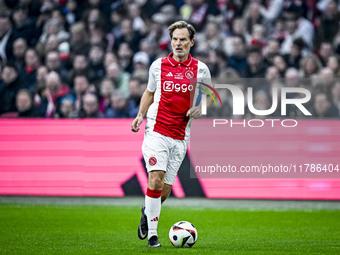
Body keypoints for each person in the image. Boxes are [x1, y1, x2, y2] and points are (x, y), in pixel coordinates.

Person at [131, 20, 213, 248]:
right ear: (171, 41)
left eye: (183, 40)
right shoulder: (157, 66)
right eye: (175, 39)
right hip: (156, 130)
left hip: (180, 135)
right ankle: (153, 237)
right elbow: (149, 93)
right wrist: (140, 115)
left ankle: (146, 211)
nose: (178, 43)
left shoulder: (201, 69)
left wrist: (200, 108)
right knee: (155, 179)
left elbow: (210, 96)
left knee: (164, 191)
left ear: (191, 42)